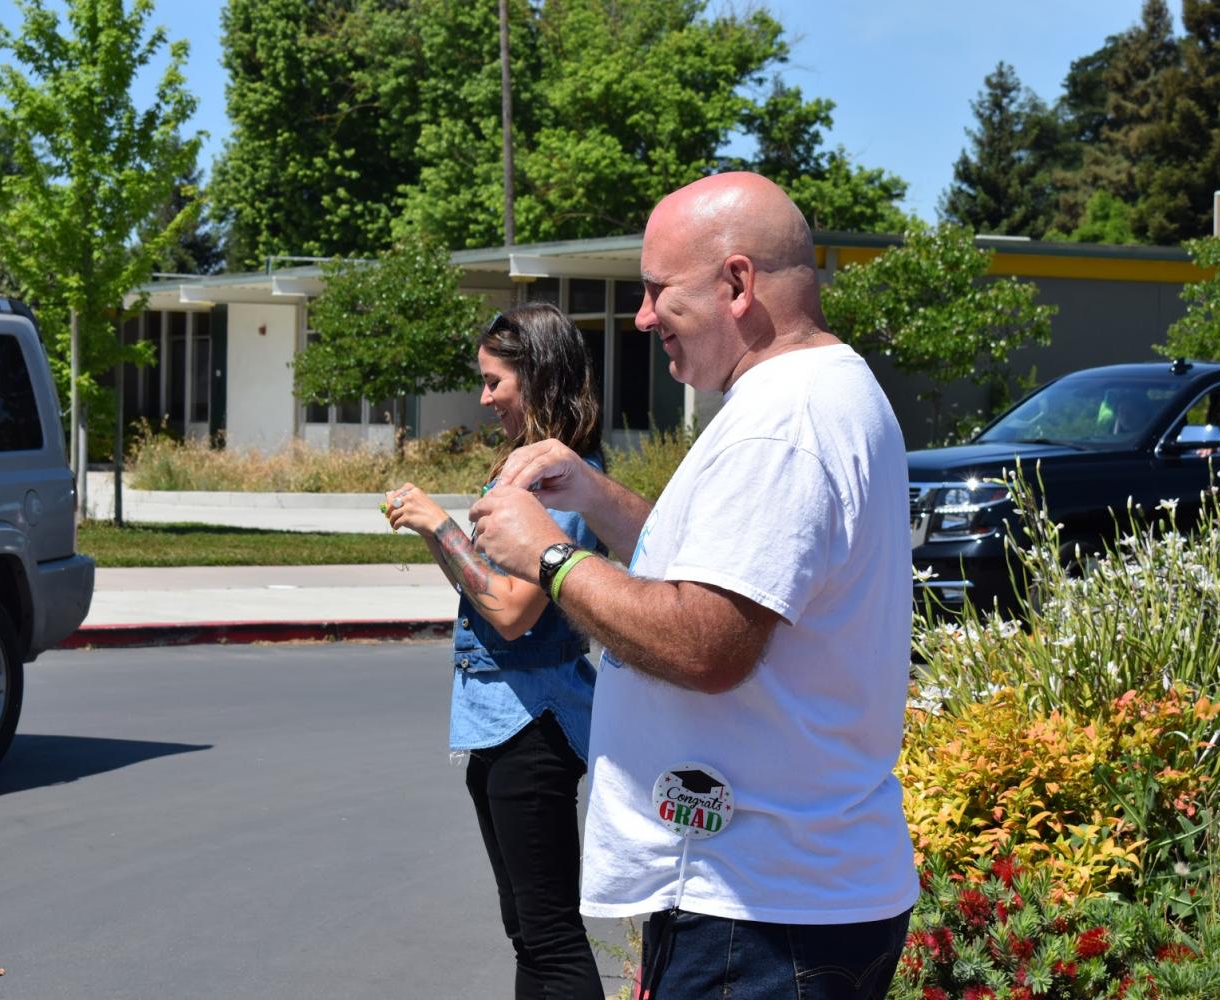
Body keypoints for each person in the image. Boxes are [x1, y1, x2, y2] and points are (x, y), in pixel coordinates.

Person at [470, 172, 917, 999]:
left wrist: (551, 557)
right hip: (779, 898)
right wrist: (594, 497)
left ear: (737, 284)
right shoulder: (816, 394)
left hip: (756, 908)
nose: (642, 319)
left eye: (655, 291)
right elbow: (721, 571)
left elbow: (706, 642)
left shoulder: (781, 426)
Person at [383, 303, 604, 1000]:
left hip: (532, 726)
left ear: (536, 379)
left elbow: (510, 608)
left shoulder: (560, 478)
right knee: (529, 934)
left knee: (550, 937)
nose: (484, 399)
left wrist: (435, 524)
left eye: (493, 382)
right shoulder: (523, 471)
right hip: (501, 723)